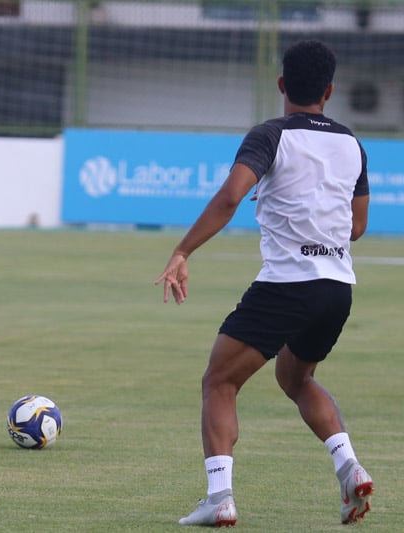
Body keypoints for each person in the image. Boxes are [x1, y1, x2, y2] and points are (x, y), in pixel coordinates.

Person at [155, 40, 372, 526]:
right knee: (296, 378)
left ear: (281, 85)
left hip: (287, 286)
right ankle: (349, 467)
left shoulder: (270, 135)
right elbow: (356, 227)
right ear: (330, 90)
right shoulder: (352, 145)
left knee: (220, 380)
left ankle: (219, 497)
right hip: (336, 287)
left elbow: (232, 196)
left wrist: (182, 251)